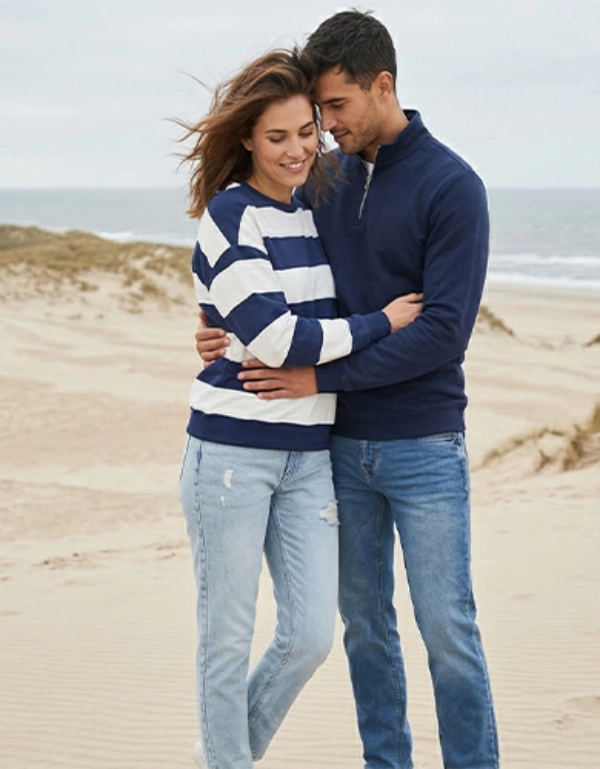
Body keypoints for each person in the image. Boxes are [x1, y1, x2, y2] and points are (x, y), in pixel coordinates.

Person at [195, 11, 500, 769]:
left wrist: (318, 373)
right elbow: (272, 278)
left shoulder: (453, 186)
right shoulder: (325, 182)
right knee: (364, 629)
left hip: (425, 441)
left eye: (334, 108)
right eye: (314, 113)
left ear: (383, 85)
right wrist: (220, 326)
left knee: (448, 630)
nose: (322, 129)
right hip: (334, 447)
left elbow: (441, 335)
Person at [178, 48, 422, 769]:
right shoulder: (230, 214)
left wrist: (216, 318)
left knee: (311, 633)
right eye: (276, 136)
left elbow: (267, 315)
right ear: (248, 139)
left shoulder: (319, 205)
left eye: (305, 132)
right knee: (226, 635)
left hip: (310, 454)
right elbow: (281, 338)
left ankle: (219, 755)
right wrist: (383, 322)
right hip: (228, 456)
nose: (296, 149)